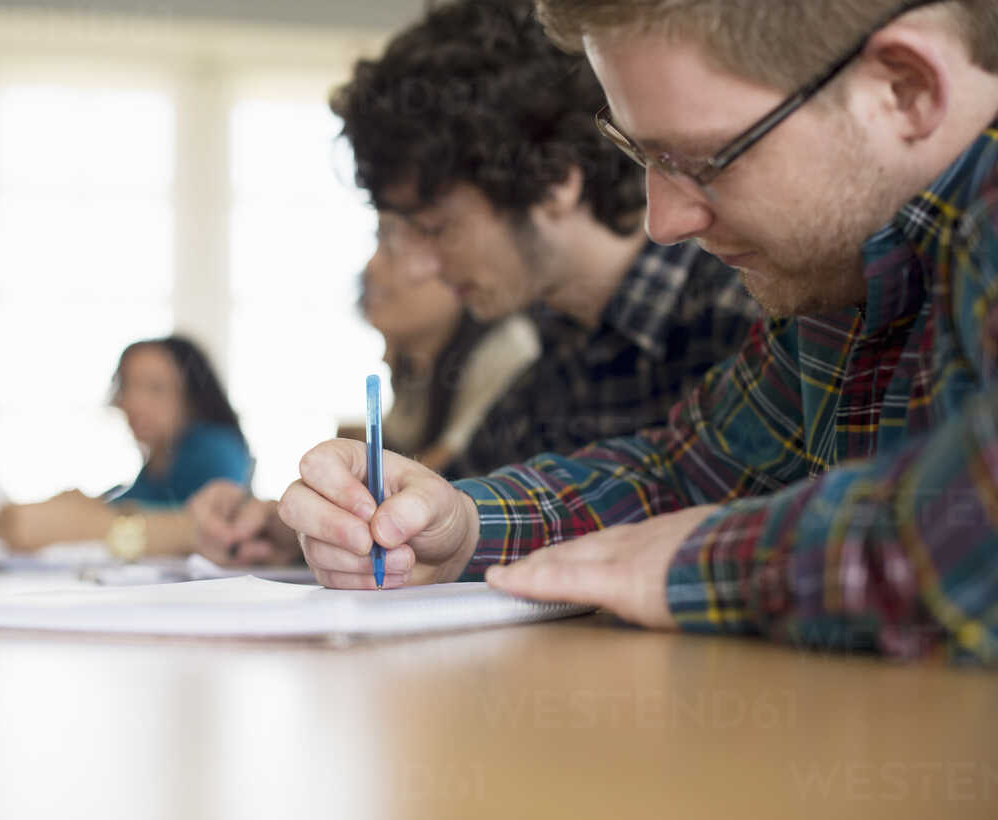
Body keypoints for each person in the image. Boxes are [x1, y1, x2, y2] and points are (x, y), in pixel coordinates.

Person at [278, 0, 998, 663]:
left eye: (703, 160)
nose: (664, 222)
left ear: (905, 88)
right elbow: (686, 474)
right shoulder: (844, 273)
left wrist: (704, 564)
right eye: (644, 157)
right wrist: (462, 527)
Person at [331, 0, 762, 476]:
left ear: (554, 181)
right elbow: (454, 505)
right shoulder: (554, 356)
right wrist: (301, 523)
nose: (417, 269)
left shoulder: (747, 314)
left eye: (436, 228)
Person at [0, 335, 264, 562]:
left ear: (192, 397)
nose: (134, 403)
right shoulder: (155, 468)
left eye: (155, 389)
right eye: (127, 386)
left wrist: (85, 520)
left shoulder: (215, 447)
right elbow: (127, 507)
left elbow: (220, 527)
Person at [362, 214, 540, 476]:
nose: (372, 266)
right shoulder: (417, 364)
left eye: (391, 246)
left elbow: (443, 472)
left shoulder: (509, 347)